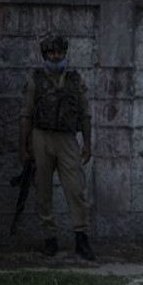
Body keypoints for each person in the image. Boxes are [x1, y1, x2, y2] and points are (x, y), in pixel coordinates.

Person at [18, 34, 97, 261]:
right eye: (52, 53)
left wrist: (88, 144)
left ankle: (81, 239)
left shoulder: (75, 80)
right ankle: (49, 239)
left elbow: (85, 114)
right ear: (45, 55)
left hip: (67, 139)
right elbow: (25, 115)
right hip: (40, 138)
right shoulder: (35, 81)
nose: (56, 57)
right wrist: (22, 147)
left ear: (65, 54)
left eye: (60, 53)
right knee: (43, 190)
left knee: (75, 189)